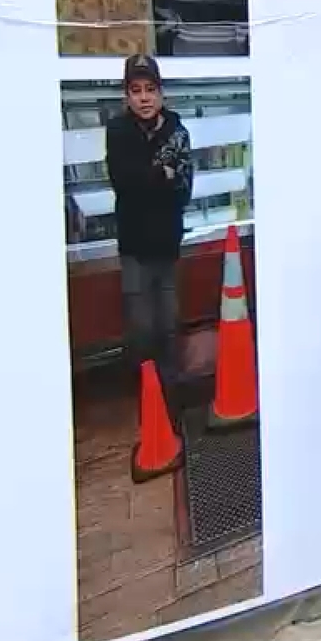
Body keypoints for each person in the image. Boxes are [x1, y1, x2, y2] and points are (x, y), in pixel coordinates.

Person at [105, 53, 194, 458]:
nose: (144, 98)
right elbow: (124, 182)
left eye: (150, 90)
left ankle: (172, 407)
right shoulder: (117, 131)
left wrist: (154, 180)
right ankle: (148, 406)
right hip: (134, 249)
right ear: (127, 96)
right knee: (141, 330)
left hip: (167, 246)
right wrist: (161, 175)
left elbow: (184, 189)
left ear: (161, 93)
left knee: (169, 326)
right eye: (136, 90)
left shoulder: (178, 131)